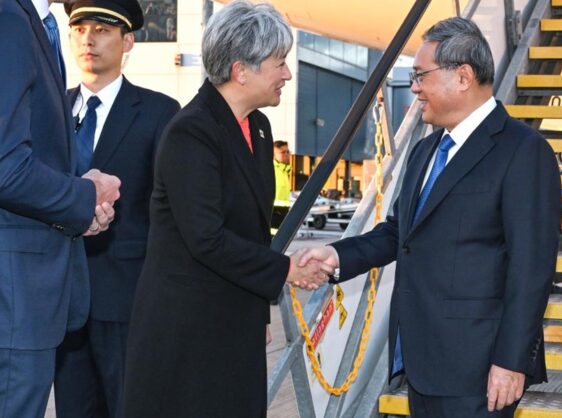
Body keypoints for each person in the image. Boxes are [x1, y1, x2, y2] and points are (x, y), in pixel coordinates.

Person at [298, 17, 562, 417]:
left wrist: (511, 362)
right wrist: (337, 256)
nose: (414, 87)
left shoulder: (523, 151)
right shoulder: (425, 151)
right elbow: (399, 233)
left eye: (421, 75)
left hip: (479, 369)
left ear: (463, 77)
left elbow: (532, 269)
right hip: (421, 362)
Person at [120, 2, 329, 417]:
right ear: (241, 71)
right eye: (279, 63)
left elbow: (251, 231)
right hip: (188, 333)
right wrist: (286, 270)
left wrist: (258, 313)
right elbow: (207, 238)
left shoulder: (259, 128)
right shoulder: (191, 132)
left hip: (235, 321)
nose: (287, 74)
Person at [52, 1, 181, 417]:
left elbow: (169, 212)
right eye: (79, 29)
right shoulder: (49, 110)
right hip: (59, 298)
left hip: (128, 300)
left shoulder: (160, 112)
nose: (88, 39)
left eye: (102, 30)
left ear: (127, 42)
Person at [0, 0, 120, 417]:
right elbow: (6, 166)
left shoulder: (34, 22)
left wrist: (79, 205)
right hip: (15, 297)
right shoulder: (11, 20)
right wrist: (84, 197)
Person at [272, 140, 292, 229]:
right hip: (273, 211)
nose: (287, 154)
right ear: (274, 154)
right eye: (283, 152)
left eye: (288, 152)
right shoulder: (271, 170)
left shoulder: (284, 171)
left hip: (284, 212)